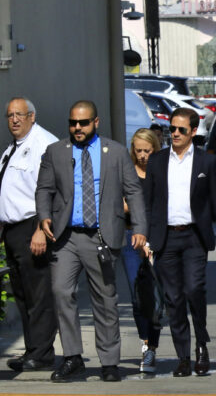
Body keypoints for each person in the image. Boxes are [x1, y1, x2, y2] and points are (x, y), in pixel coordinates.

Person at [35, 100, 147, 382]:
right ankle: (73, 357)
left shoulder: (116, 152)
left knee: (105, 299)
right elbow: (44, 189)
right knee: (61, 292)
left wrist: (140, 228)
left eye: (83, 123)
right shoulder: (56, 151)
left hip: (101, 235)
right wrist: (44, 217)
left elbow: (133, 191)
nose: (77, 128)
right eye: (73, 122)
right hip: (66, 237)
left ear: (96, 122)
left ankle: (109, 362)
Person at [143, 107, 216, 377]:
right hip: (166, 238)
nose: (175, 134)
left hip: (195, 236)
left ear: (193, 132)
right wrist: (146, 237)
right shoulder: (157, 161)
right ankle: (183, 357)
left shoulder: (207, 162)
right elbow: (148, 202)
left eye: (181, 130)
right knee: (173, 299)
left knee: (194, 290)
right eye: (171, 129)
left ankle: (201, 345)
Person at [2, 97, 58, 372]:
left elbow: (52, 192)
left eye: (20, 114)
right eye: (10, 115)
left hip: (32, 228)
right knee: (23, 294)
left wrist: (40, 230)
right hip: (12, 231)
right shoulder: (13, 147)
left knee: (39, 295)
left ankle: (43, 354)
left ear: (32, 116)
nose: (14, 120)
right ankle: (33, 350)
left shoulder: (43, 144)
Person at [121, 128, 161, 373]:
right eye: (139, 151)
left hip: (156, 238)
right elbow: (119, 204)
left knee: (154, 298)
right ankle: (145, 341)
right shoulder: (126, 173)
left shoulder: (161, 173)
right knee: (137, 297)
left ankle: (151, 347)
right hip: (131, 239)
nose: (143, 155)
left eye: (147, 150)